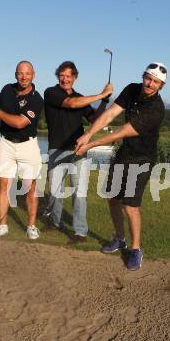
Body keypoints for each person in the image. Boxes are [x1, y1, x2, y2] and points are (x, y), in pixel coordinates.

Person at [75, 62, 167, 270]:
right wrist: (88, 133)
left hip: (142, 158)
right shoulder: (132, 89)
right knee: (113, 198)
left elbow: (121, 132)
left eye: (155, 82)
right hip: (124, 154)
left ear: (161, 85)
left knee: (130, 205)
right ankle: (120, 239)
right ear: (143, 76)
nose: (150, 84)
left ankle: (135, 249)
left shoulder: (156, 109)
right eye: (148, 78)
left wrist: (91, 144)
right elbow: (109, 114)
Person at [44, 61, 113, 243]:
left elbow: (94, 119)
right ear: (58, 76)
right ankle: (54, 222)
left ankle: (80, 232)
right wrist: (100, 94)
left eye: (69, 76)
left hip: (78, 149)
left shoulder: (81, 97)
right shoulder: (51, 93)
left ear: (75, 77)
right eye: (62, 75)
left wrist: (104, 101)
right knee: (55, 191)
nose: (65, 79)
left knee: (79, 192)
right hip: (56, 149)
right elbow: (71, 104)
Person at [0, 61, 43, 239]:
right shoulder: (7, 89)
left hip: (28, 145)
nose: (23, 77)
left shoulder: (36, 99)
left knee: (30, 187)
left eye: (27, 73)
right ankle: (2, 225)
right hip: (6, 144)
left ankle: (31, 226)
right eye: (20, 73)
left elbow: (19, 122)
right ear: (15, 74)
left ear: (33, 75)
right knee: (3, 185)